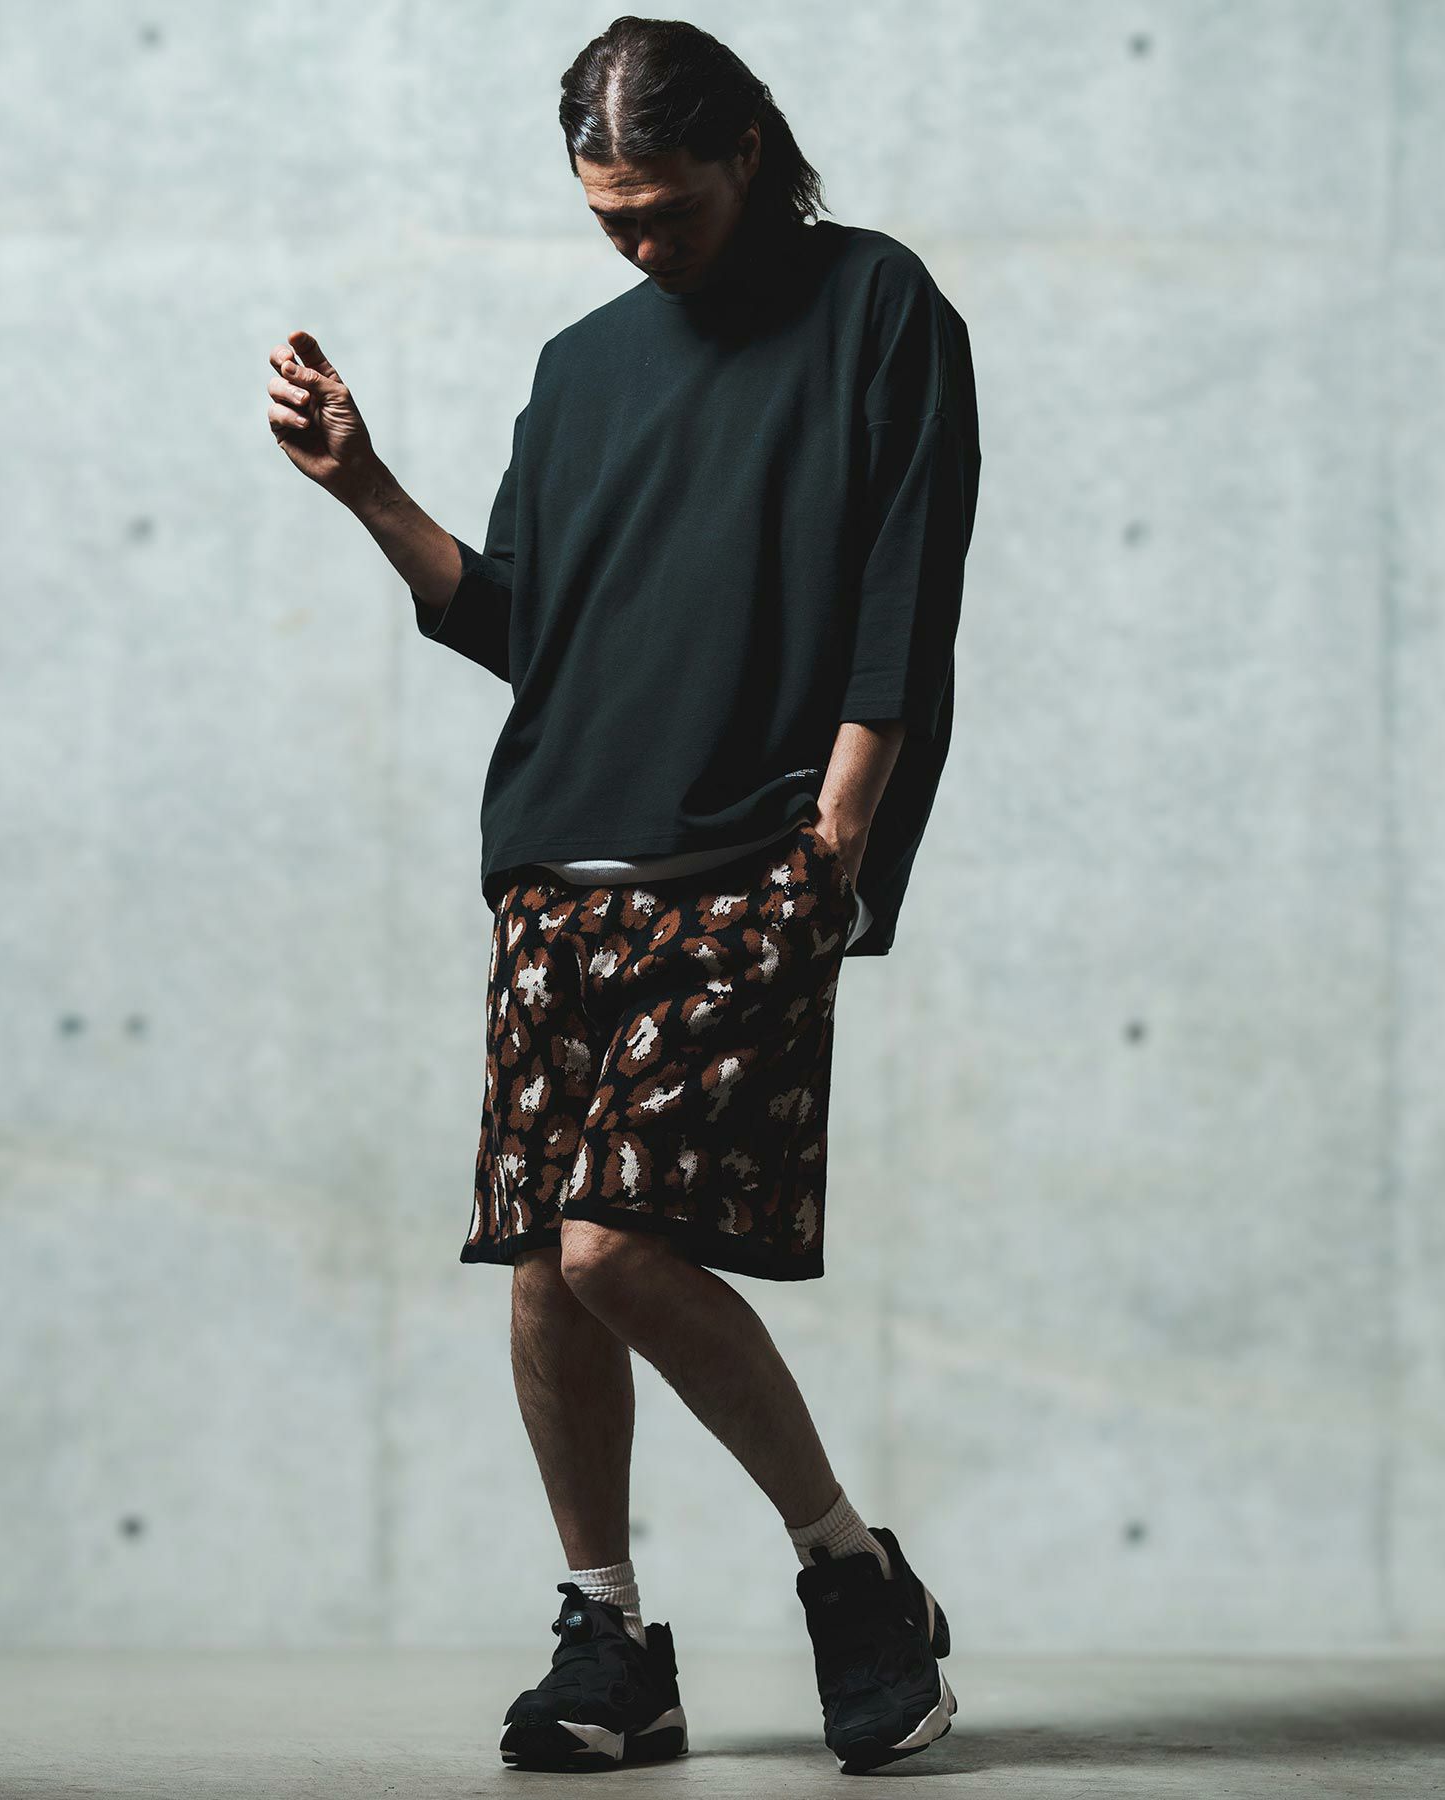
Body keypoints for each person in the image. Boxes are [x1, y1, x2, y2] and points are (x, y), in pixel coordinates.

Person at [265, 16, 979, 1776]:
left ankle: (852, 1576)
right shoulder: (577, 368)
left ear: (748, 150)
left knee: (615, 1245)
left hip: (753, 858)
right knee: (543, 1266)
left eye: (664, 210)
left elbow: (906, 593)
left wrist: (836, 843)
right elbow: (526, 626)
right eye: (609, 219)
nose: (639, 245)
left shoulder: (879, 306)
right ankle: (612, 1641)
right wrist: (366, 487)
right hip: (555, 864)